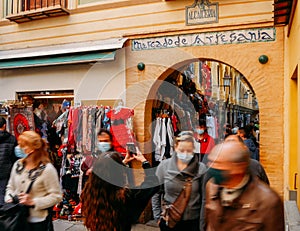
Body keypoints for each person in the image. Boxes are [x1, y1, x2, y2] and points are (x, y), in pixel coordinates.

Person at [204, 140, 284, 231]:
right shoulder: (211, 188)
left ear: (238, 167)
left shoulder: (268, 202)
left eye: (219, 163)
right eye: (211, 161)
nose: (212, 166)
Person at [80, 149, 159, 231]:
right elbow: (152, 184)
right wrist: (144, 161)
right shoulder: (126, 197)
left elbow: (107, 173)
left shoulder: (89, 192)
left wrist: (123, 163)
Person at [5, 131, 62, 231]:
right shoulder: (18, 165)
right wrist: (10, 198)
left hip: (37, 221)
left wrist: (33, 202)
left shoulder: (47, 169)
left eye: (21, 145)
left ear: (31, 149)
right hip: (16, 219)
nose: (18, 148)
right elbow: (10, 186)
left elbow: (56, 196)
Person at [156, 131, 206, 231]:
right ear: (175, 148)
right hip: (170, 220)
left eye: (189, 150)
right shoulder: (164, 166)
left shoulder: (201, 168)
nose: (185, 154)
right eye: (182, 150)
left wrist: (202, 222)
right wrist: (157, 216)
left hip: (193, 222)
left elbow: (204, 198)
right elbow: (156, 193)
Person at [0, 116, 18, 205]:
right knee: (4, 192)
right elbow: (15, 156)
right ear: (4, 125)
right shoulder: (12, 138)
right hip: (6, 170)